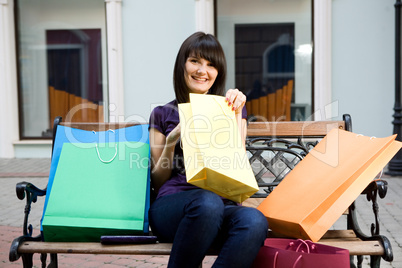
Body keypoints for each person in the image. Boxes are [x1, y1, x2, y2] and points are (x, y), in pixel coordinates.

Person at [148, 32, 268, 268]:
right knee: (207, 202)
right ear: (182, 64)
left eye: (211, 64)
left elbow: (235, 164)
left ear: (218, 72)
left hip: (222, 205)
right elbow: (159, 180)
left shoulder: (231, 109)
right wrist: (173, 140)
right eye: (195, 61)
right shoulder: (162, 114)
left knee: (254, 219)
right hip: (172, 207)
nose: (203, 70)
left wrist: (233, 112)